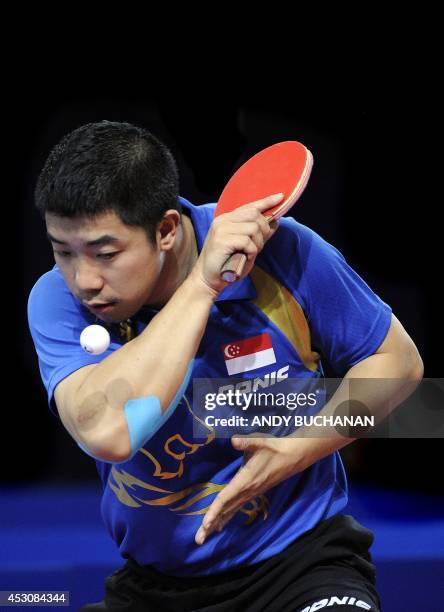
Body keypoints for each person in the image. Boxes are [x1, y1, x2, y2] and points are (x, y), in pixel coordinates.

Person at [28, 121, 423, 612]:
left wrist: (298, 447)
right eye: (62, 251)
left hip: (301, 566)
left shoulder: (284, 253)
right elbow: (110, 434)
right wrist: (202, 284)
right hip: (155, 587)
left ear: (167, 229)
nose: (83, 278)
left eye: (105, 254)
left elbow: (402, 368)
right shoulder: (55, 300)